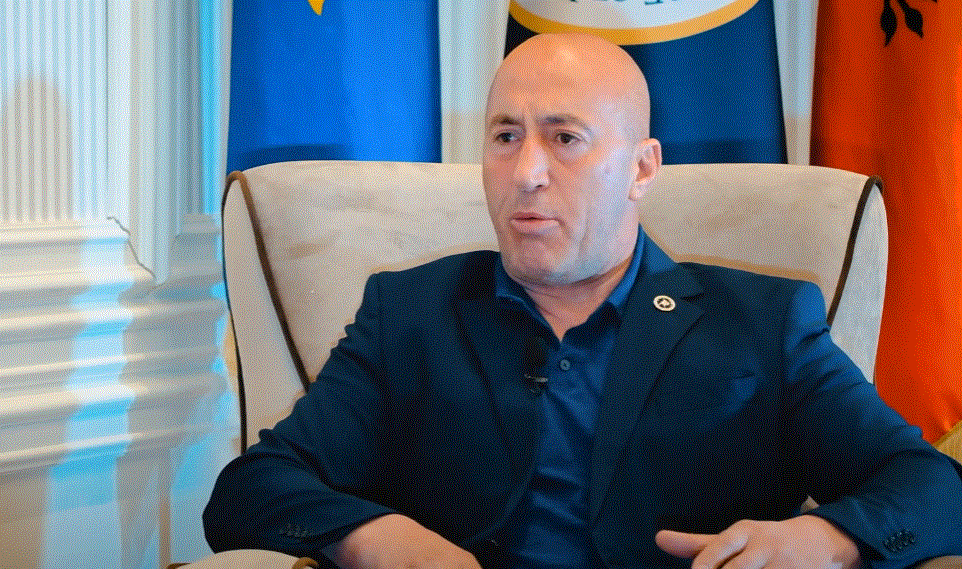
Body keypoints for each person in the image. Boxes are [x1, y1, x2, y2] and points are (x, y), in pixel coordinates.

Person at [204, 33, 962, 568]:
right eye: (505, 136)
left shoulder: (761, 322)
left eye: (565, 138)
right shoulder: (410, 311)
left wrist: (826, 540)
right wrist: (377, 538)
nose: (526, 172)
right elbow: (252, 491)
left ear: (642, 168)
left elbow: (933, 486)